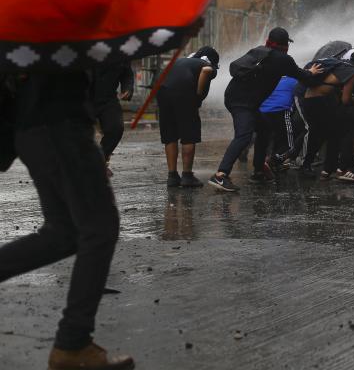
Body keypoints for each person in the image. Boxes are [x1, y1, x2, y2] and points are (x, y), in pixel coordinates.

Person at [0, 71, 134, 370]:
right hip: (60, 126)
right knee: (99, 228)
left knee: (65, 233)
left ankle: (73, 344)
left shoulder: (31, 28)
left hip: (36, 129)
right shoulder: (60, 26)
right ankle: (72, 344)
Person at [209, 27, 322, 192]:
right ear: (285, 44)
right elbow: (303, 76)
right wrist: (311, 72)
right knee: (244, 135)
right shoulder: (284, 59)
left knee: (264, 129)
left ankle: (258, 171)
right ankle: (220, 175)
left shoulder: (258, 51)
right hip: (242, 103)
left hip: (235, 97)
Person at [156, 47, 219, 187]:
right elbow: (207, 71)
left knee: (170, 135)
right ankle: (187, 176)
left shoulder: (183, 61)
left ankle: (172, 176)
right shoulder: (207, 65)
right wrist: (198, 94)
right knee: (188, 134)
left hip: (162, 90)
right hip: (183, 93)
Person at [300, 58, 354, 182]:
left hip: (307, 100)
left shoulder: (335, 65)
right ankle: (336, 170)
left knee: (320, 134)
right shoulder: (352, 71)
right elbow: (345, 100)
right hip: (321, 101)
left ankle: (315, 167)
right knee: (341, 133)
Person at [89, 63, 134, 177]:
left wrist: (127, 88)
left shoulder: (121, 52)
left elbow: (127, 74)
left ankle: (100, 162)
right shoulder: (86, 48)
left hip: (108, 99)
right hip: (83, 97)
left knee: (116, 128)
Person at [252, 75, 298, 182]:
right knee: (290, 146)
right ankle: (271, 161)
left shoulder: (269, 79)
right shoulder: (294, 80)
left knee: (265, 140)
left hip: (262, 111)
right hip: (281, 110)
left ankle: (259, 168)